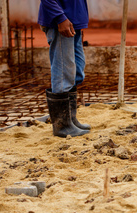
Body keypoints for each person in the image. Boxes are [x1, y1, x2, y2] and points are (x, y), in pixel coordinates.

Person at [38, 0, 91, 138]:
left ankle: (70, 120)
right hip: (61, 22)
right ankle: (62, 126)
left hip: (74, 21)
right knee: (63, 72)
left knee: (76, 72)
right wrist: (60, 18)